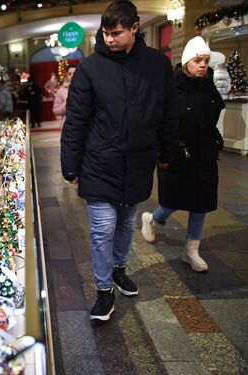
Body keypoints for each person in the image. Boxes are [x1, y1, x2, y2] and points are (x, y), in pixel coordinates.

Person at [60, 0, 178, 322]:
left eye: (116, 33)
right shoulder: (90, 68)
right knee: (102, 229)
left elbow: (168, 115)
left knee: (127, 223)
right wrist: (70, 165)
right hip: (99, 163)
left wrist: (168, 153)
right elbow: (76, 120)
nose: (108, 39)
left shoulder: (157, 65)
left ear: (135, 28)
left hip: (138, 162)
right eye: (105, 33)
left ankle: (118, 269)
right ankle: (103, 291)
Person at [141, 36, 225, 273]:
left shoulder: (208, 86)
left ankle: (191, 251)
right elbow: (162, 122)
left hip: (204, 154)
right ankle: (153, 219)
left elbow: (212, 116)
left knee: (201, 203)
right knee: (174, 200)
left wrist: (214, 141)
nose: (202, 65)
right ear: (187, 61)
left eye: (206, 61)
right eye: (198, 60)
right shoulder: (172, 87)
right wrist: (164, 151)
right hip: (177, 152)